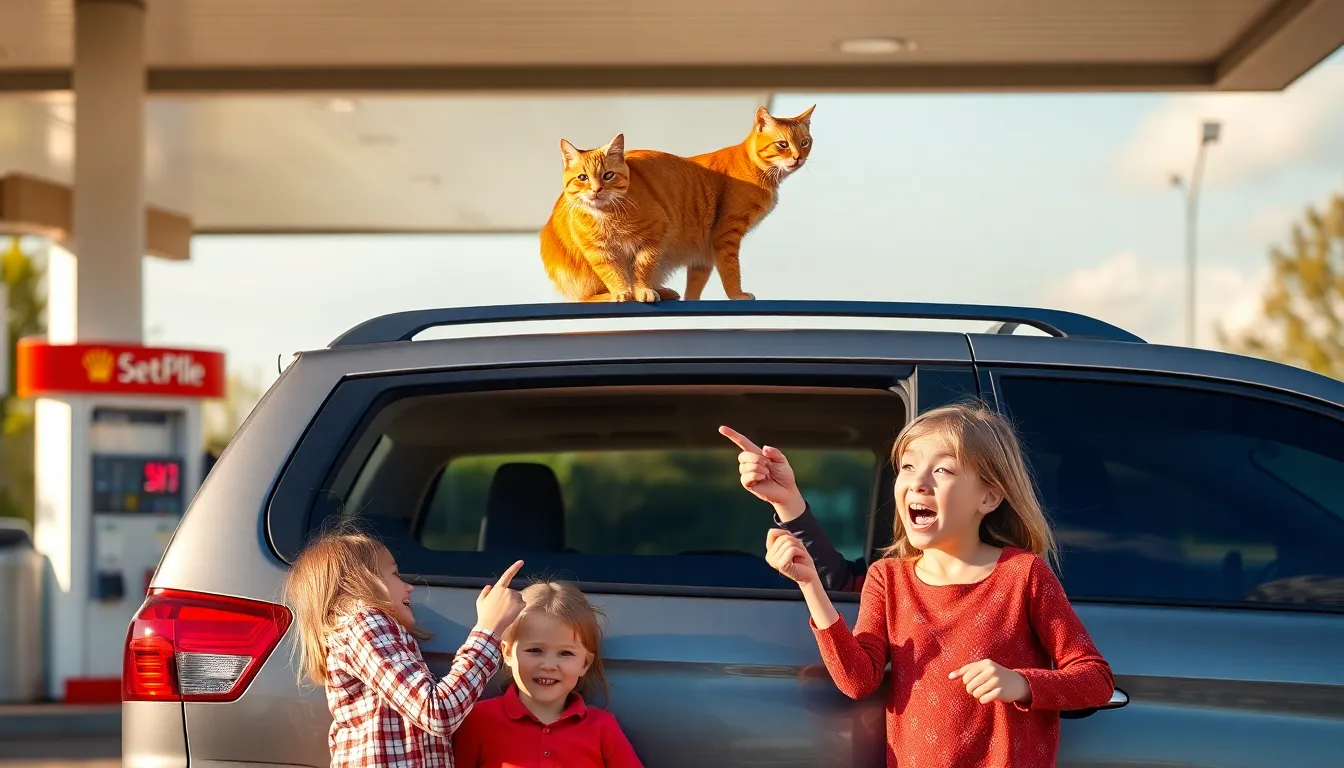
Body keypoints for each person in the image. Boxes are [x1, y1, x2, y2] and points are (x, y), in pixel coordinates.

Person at [731, 402, 1115, 766]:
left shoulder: (1023, 574)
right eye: (908, 467)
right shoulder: (888, 578)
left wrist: (1021, 684)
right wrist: (810, 584)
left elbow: (1096, 680)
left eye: (943, 470)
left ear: (990, 496)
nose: (918, 483)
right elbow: (857, 680)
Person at [284, 522, 526, 768]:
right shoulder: (365, 622)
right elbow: (438, 712)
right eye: (394, 574)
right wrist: (489, 628)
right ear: (361, 581)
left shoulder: (362, 630)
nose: (409, 587)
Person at [452, 580, 643, 768]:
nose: (549, 665)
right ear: (507, 653)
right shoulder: (478, 720)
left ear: (585, 663)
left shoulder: (602, 727)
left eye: (565, 653)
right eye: (535, 650)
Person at [720, 424, 868, 592]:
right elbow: (846, 587)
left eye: (907, 466)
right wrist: (786, 500)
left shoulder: (890, 574)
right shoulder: (885, 574)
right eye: (903, 467)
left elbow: (844, 589)